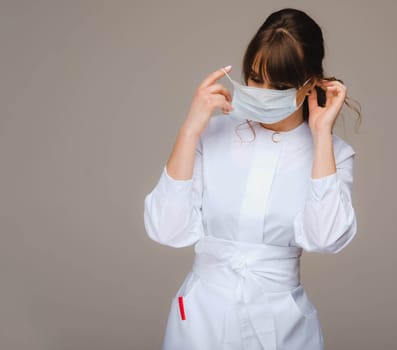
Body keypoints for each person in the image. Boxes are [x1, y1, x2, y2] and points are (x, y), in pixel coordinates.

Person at [144, 8, 361, 350]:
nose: (263, 92)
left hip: (280, 322)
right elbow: (166, 229)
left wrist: (321, 136)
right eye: (255, 78)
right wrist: (189, 130)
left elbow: (326, 238)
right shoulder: (212, 134)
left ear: (311, 84)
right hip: (202, 317)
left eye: (281, 86)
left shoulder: (333, 153)